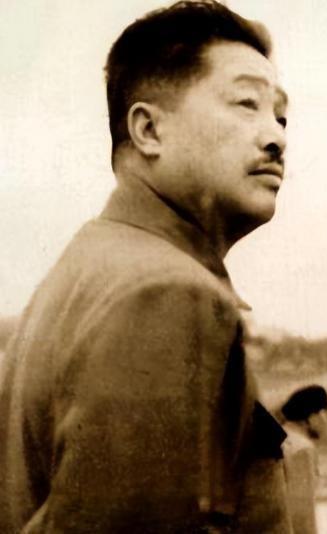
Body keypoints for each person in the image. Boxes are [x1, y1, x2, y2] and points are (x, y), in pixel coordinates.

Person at [0, 2, 293, 532]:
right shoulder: (168, 295)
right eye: (246, 103)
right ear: (148, 130)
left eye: (280, 115)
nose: (276, 137)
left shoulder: (90, 270)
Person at [280, 385, 327, 534]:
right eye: (325, 413)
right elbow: (301, 515)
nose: (326, 421)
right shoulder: (302, 449)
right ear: (312, 416)